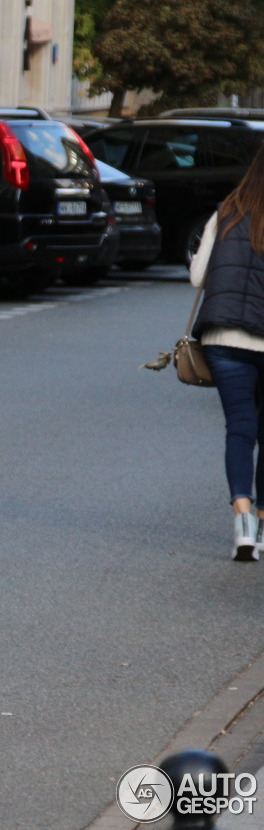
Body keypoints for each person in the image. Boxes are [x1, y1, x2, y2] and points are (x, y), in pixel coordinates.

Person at [191, 146, 264, 560]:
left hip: (223, 339)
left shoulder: (227, 211)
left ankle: (242, 522)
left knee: (240, 428)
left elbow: (199, 275)